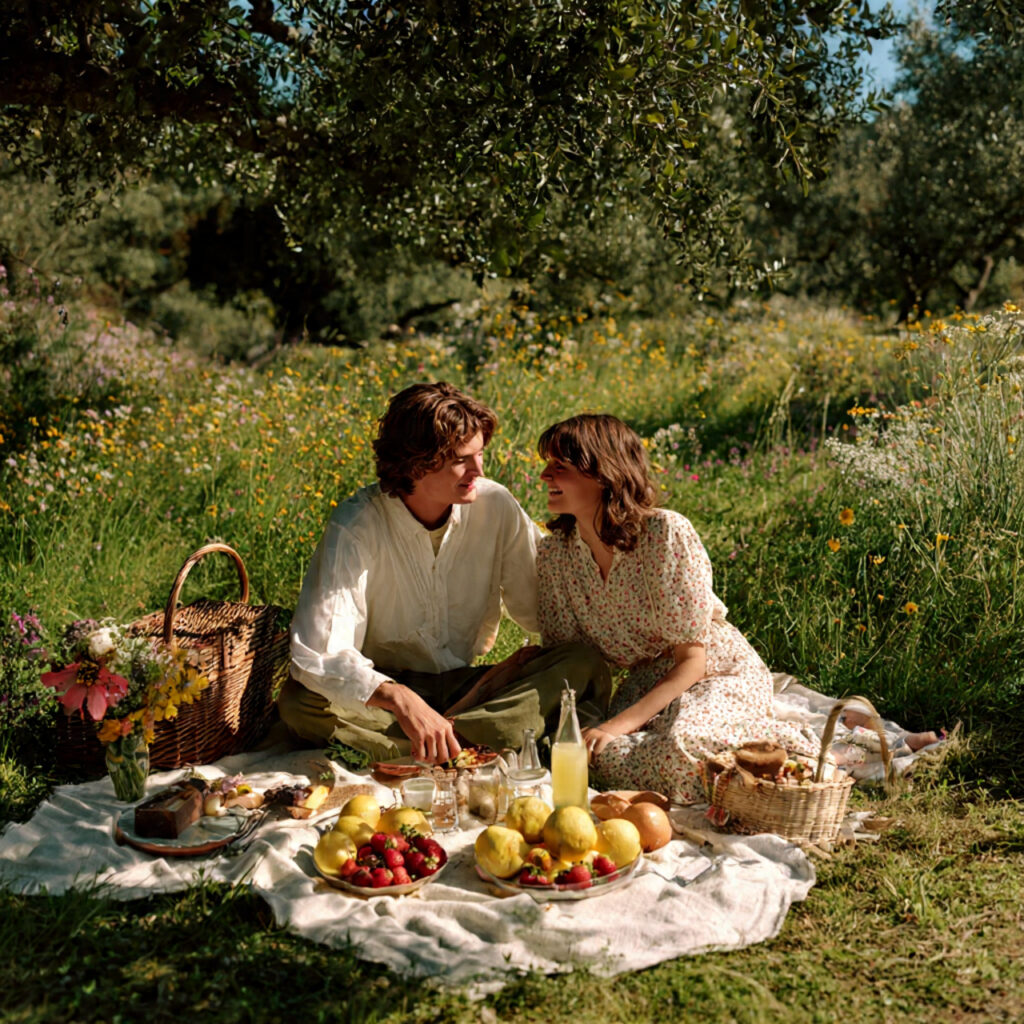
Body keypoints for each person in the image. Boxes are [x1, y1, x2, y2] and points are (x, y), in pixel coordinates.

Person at [278, 382, 610, 765]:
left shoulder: (494, 505)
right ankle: (477, 744)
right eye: (461, 460)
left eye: (480, 454)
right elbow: (321, 651)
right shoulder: (357, 524)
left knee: (582, 664)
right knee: (300, 702)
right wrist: (400, 699)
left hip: (468, 687)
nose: (478, 470)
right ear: (416, 463)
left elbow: (540, 603)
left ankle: (432, 746)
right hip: (385, 694)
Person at [535, 412, 818, 804]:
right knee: (588, 755)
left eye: (559, 467)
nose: (545, 476)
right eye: (547, 465)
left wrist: (617, 725)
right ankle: (738, 751)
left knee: (680, 747)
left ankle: (804, 745)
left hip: (715, 669)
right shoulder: (554, 556)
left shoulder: (664, 534)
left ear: (603, 474)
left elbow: (692, 660)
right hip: (644, 685)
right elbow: (569, 657)